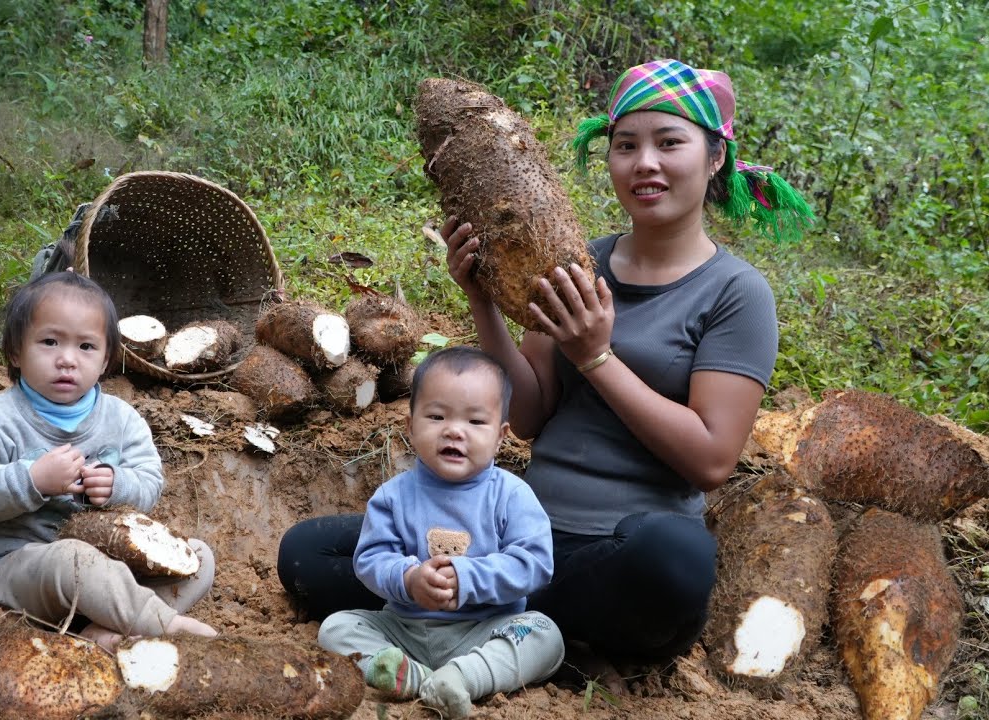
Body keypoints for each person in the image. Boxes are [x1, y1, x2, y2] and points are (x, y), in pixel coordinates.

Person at [279, 58, 812, 674]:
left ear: (716, 157)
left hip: (613, 555)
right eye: (626, 145)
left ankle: (486, 622)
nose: (645, 163)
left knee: (674, 559)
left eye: (670, 143)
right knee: (308, 552)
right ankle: (514, 629)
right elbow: (529, 414)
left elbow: (711, 460)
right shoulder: (574, 261)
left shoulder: (736, 293)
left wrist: (597, 358)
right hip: (511, 540)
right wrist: (482, 299)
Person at [0, 271, 217, 650]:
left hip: (112, 563)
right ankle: (162, 625)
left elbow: (150, 483)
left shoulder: (122, 419)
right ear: (16, 352)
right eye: (49, 342)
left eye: (86, 346)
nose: (67, 359)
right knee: (72, 559)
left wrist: (117, 484)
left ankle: (106, 632)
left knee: (197, 556)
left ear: (105, 360)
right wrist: (31, 480)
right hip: (19, 566)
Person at [317, 346, 564, 719]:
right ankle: (413, 676)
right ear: (410, 426)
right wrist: (409, 578)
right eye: (436, 416)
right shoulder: (392, 496)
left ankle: (463, 677)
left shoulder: (512, 495)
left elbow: (534, 564)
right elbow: (371, 559)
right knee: (335, 628)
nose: (454, 430)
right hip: (405, 628)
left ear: (501, 436)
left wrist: (467, 578)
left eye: (475, 421)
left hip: (484, 629)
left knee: (544, 633)